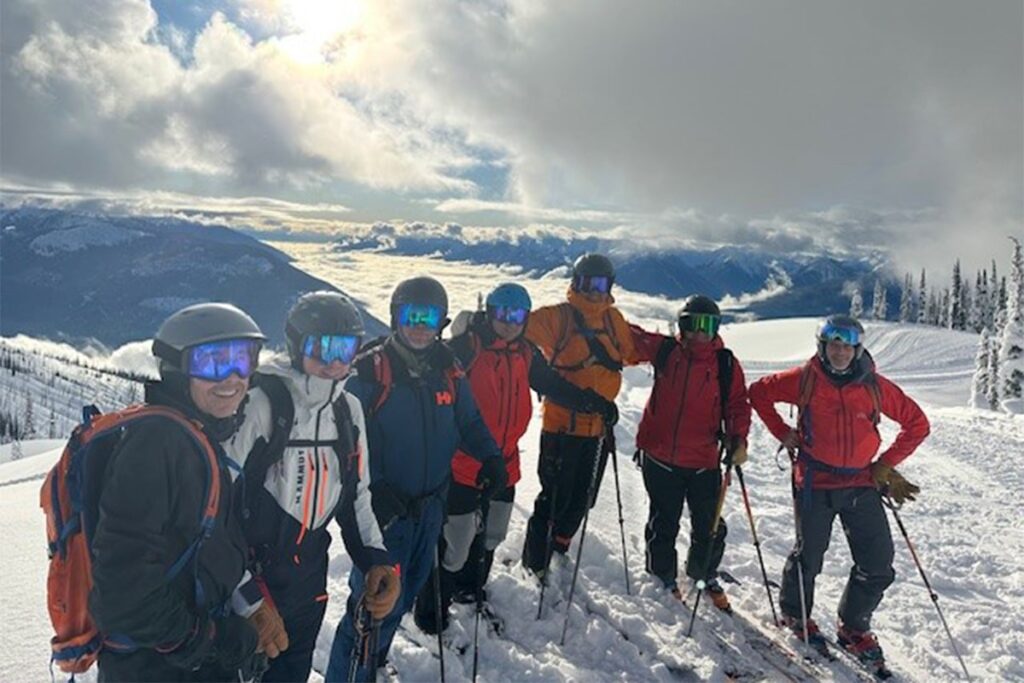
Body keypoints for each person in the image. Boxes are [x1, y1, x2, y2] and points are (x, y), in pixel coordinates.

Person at [324, 276, 507, 682]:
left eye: (430, 317)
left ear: (443, 321)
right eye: (411, 315)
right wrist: (373, 489)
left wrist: (491, 457)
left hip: (430, 509)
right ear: (395, 318)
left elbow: (469, 420)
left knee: (402, 597)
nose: (420, 326)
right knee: (370, 609)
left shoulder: (449, 369)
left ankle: (373, 663)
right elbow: (342, 441)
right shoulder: (370, 372)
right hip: (384, 517)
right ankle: (350, 675)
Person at [412, 283, 618, 634]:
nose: (509, 323)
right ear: (490, 313)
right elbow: (428, 368)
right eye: (503, 314)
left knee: (490, 536)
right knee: (454, 545)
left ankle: (470, 591)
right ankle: (431, 615)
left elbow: (552, 384)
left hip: (505, 464)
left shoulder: (525, 352)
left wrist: (593, 402)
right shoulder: (467, 347)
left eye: (518, 316)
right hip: (462, 464)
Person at [224, 291, 400, 682]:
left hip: (307, 590)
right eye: (322, 347)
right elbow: (217, 511)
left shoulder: (348, 412)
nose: (335, 361)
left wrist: (376, 559)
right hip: (250, 588)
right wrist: (246, 597)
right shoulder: (262, 404)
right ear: (296, 345)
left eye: (346, 348)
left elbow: (357, 497)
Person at [89, 303, 265, 681]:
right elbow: (122, 592)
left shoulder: (195, 436)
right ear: (176, 370)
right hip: (154, 667)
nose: (232, 377)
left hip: (188, 659)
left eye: (243, 359)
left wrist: (245, 610)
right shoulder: (156, 444)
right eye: (212, 363)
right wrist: (210, 639)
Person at [748, 314, 928, 670]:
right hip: (815, 482)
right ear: (823, 346)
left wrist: (885, 464)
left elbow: (917, 424)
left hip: (861, 483)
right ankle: (795, 614)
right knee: (809, 555)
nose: (841, 352)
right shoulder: (804, 379)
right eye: (834, 344)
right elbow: (758, 393)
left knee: (878, 563)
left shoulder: (874, 386)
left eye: (848, 346)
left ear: (857, 349)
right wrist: (782, 432)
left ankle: (853, 627)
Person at [629, 295, 751, 609]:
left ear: (716, 328)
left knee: (710, 525)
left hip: (703, 460)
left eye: (706, 325)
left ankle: (702, 573)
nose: (698, 332)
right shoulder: (667, 351)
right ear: (681, 325)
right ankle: (662, 576)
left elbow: (737, 405)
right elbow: (630, 338)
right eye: (691, 324)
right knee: (663, 521)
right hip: (660, 457)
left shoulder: (725, 364)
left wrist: (738, 439)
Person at [520, 253, 638, 577]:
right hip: (561, 428)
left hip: (598, 429)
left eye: (601, 284)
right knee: (553, 500)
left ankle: (559, 547)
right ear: (576, 282)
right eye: (588, 283)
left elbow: (631, 350)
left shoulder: (613, 320)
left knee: (584, 499)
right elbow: (519, 331)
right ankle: (535, 563)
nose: (594, 292)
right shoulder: (558, 318)